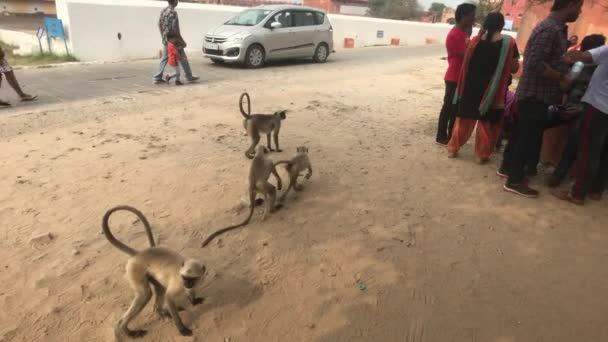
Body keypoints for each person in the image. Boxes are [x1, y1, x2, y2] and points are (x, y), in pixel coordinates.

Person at [503, 0, 583, 198]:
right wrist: (561, 77)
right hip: (534, 94)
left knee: (523, 134)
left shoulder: (557, 29)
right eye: (579, 7)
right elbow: (534, 63)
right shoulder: (549, 29)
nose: (580, 12)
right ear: (570, 5)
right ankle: (514, 180)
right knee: (527, 137)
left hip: (539, 94)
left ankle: (510, 171)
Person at [447, 13, 520, 163]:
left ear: (485, 24)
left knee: (464, 118)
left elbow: (467, 66)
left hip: (471, 86)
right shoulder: (509, 43)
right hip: (493, 89)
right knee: (487, 122)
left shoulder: (474, 41)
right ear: (501, 25)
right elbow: (513, 67)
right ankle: (481, 155)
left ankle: (453, 149)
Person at [546, 34, 606, 187]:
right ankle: (596, 186)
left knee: (574, 137)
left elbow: (565, 86)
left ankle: (558, 175)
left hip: (581, 109)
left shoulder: (581, 66)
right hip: (586, 109)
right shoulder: (598, 66)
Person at [435, 2, 477, 145]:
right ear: (463, 16)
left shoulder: (464, 32)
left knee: (455, 108)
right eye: (471, 16)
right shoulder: (454, 35)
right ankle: (441, 135)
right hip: (454, 76)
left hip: (461, 76)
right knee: (448, 107)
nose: (473, 19)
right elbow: (467, 54)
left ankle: (451, 135)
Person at [152, 0, 198, 84]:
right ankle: (188, 76)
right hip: (174, 39)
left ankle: (157, 77)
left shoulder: (163, 10)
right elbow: (175, 28)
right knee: (183, 57)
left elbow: (159, 23)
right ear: (175, 2)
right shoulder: (173, 12)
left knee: (165, 57)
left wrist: (163, 35)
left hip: (166, 37)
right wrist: (180, 40)